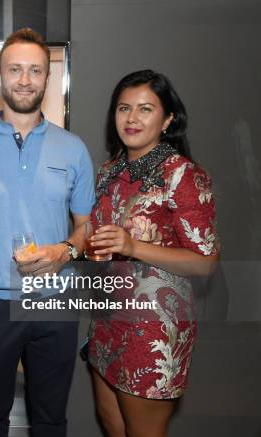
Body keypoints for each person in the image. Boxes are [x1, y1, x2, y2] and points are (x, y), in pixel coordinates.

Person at [0, 28, 95, 437]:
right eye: (15, 69)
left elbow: (86, 229)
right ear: (0, 75)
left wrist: (65, 250)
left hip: (55, 303)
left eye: (35, 70)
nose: (25, 79)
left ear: (48, 77)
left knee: (49, 420)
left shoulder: (74, 149)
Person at [85, 70, 219, 437]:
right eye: (124, 108)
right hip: (106, 321)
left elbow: (206, 263)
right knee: (112, 425)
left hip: (153, 330)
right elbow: (94, 234)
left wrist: (133, 247)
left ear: (168, 119)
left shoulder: (184, 176)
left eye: (145, 109)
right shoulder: (109, 171)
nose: (132, 118)